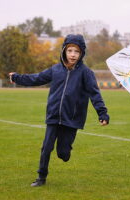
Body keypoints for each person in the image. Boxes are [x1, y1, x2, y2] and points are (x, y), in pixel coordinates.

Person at [9, 34, 110, 187]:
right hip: (54, 115)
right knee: (46, 147)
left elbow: (95, 94)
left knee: (63, 154)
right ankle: (41, 177)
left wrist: (102, 113)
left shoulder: (86, 73)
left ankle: (65, 150)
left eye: (76, 51)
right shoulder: (55, 69)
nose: (73, 55)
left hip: (72, 118)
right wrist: (17, 77)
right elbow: (36, 78)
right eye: (70, 51)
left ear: (82, 53)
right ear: (64, 51)